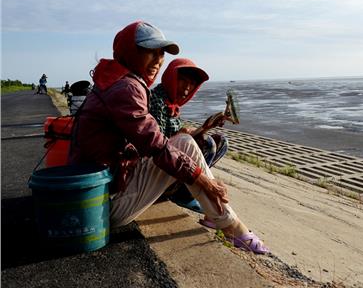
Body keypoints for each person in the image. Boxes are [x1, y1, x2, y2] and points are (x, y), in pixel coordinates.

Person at [68, 21, 268, 254]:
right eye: (149, 51)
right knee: (185, 146)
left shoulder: (116, 80)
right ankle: (233, 227)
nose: (157, 60)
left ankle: (222, 219)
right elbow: (157, 146)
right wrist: (206, 182)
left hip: (100, 193)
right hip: (103, 206)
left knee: (189, 144)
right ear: (130, 51)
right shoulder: (127, 89)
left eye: (161, 53)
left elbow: (147, 142)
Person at [149, 58, 229, 219]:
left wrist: (205, 127)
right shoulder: (156, 100)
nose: (187, 87)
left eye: (191, 84)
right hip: (158, 166)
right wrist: (185, 134)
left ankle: (184, 189)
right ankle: (181, 194)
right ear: (171, 78)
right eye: (182, 81)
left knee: (220, 141)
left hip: (172, 159)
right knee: (208, 144)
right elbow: (159, 145)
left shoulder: (171, 102)